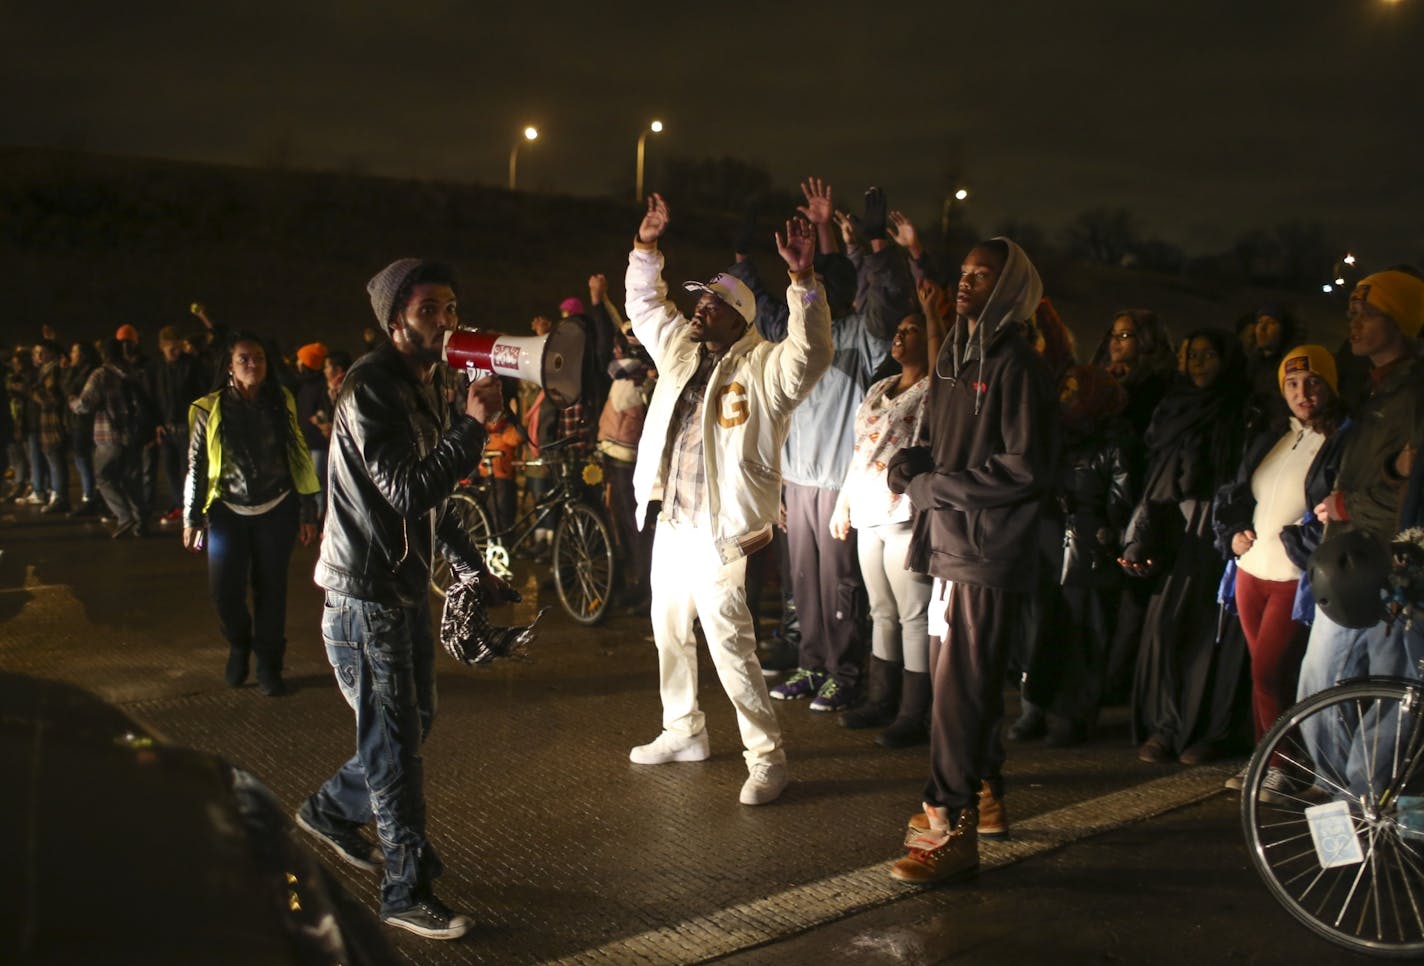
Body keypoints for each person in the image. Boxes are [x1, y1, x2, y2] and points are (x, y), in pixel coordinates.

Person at [298, 258, 504, 941]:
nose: (446, 320)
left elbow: (430, 504)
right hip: (366, 600)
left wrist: (471, 569)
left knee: (410, 724)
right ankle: (404, 890)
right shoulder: (370, 390)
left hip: (399, 590)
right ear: (395, 324)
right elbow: (408, 490)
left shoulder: (420, 386)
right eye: (428, 311)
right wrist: (472, 429)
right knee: (396, 750)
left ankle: (331, 810)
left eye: (450, 306)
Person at [623, 193, 832, 806]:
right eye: (697, 300)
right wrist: (645, 249)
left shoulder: (765, 366)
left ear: (739, 317)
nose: (697, 309)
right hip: (673, 522)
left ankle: (767, 756)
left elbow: (812, 352)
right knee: (668, 631)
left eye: (711, 304)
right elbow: (643, 305)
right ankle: (682, 728)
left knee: (729, 643)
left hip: (720, 532)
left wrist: (802, 281)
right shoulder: (681, 353)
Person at [886, 237, 1057, 884]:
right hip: (951, 541)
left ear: (1010, 288)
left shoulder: (1018, 365)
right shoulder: (959, 352)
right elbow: (946, 442)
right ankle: (983, 799)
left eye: (983, 276)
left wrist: (934, 488)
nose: (966, 284)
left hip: (983, 550)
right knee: (966, 685)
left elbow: (1024, 467)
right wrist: (916, 461)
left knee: (957, 691)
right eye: (964, 273)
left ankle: (947, 821)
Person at [734, 179, 907, 713]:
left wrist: (875, 246)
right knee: (803, 584)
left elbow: (888, 300)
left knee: (839, 587)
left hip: (838, 482)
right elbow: (765, 305)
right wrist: (743, 257)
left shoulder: (863, 335)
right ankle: (812, 666)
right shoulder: (795, 337)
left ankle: (845, 671)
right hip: (799, 479)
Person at [1296, 270, 1424, 790]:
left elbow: (1411, 489)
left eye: (1367, 312)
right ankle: (1347, 797)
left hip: (1393, 568)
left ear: (1400, 320)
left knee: (1399, 691)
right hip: (1347, 564)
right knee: (1317, 687)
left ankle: (1364, 798)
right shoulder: (1365, 394)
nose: (1354, 322)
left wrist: (1351, 500)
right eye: (1350, 311)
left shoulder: (1414, 394)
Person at [1213, 345, 1347, 797]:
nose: (1302, 392)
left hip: (1296, 577)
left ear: (1330, 385)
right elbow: (1235, 492)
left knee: (1271, 672)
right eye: (1292, 384)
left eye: (1312, 382)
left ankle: (1284, 765)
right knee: (1261, 673)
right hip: (1252, 571)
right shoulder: (1273, 435)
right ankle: (1269, 755)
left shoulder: (1341, 440)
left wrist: (1302, 547)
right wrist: (1232, 532)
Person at [1120, 328, 1250, 765]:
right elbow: (1153, 473)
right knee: (1165, 626)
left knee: (1210, 630)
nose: (1198, 363)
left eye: (1208, 354)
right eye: (1191, 353)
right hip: (1175, 523)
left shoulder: (1240, 410)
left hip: (1219, 526)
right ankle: (1165, 724)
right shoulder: (1172, 408)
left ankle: (1207, 731)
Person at [183, 333, 320, 696]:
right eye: (243, 359)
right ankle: (239, 643)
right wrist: (191, 517)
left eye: (258, 358)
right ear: (229, 365)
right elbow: (196, 465)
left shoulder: (281, 400)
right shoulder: (206, 408)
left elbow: (298, 454)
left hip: (277, 508)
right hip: (227, 510)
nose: (252, 365)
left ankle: (269, 665)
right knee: (224, 593)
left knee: (271, 590)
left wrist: (308, 509)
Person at [1013, 364, 1135, 747]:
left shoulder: (1115, 441)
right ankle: (1034, 706)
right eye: (1062, 387)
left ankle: (1071, 714)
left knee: (1082, 632)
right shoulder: (1054, 435)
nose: (1064, 396)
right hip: (1046, 541)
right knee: (1039, 627)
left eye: (1072, 389)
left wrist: (1100, 531)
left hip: (1086, 548)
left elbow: (1122, 501)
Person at [830, 312, 933, 747]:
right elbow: (858, 452)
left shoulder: (932, 390)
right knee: (881, 610)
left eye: (912, 330)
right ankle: (881, 698)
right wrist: (843, 502)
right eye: (899, 327)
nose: (900, 335)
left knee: (913, 613)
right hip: (869, 511)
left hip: (904, 512)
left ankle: (914, 711)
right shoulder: (878, 389)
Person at [71, 339, 148, 537]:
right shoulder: (131, 372)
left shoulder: (100, 375)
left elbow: (85, 404)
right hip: (132, 434)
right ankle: (141, 523)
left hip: (108, 435)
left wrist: (72, 402)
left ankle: (123, 516)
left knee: (103, 477)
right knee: (131, 480)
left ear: (103, 355)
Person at [150, 325, 209, 523]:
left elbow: (201, 392)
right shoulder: (157, 368)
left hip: (187, 426)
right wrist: (157, 422)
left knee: (190, 470)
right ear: (162, 347)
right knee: (170, 470)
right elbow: (154, 397)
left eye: (177, 347)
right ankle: (180, 504)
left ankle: (191, 507)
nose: (175, 351)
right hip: (167, 427)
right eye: (170, 348)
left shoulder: (191, 365)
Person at [31, 339, 70, 513]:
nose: (40, 356)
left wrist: (32, 393)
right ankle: (57, 494)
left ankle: (60, 496)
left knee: (55, 459)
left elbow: (53, 399)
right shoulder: (44, 370)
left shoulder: (54, 371)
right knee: (51, 458)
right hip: (46, 421)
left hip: (53, 421)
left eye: (43, 352)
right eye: (38, 353)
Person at [64, 341, 101, 516]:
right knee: (83, 460)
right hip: (78, 422)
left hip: (86, 423)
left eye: (74, 352)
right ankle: (92, 495)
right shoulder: (78, 371)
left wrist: (74, 399)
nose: (71, 355)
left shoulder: (91, 372)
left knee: (85, 460)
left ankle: (90, 497)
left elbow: (74, 393)